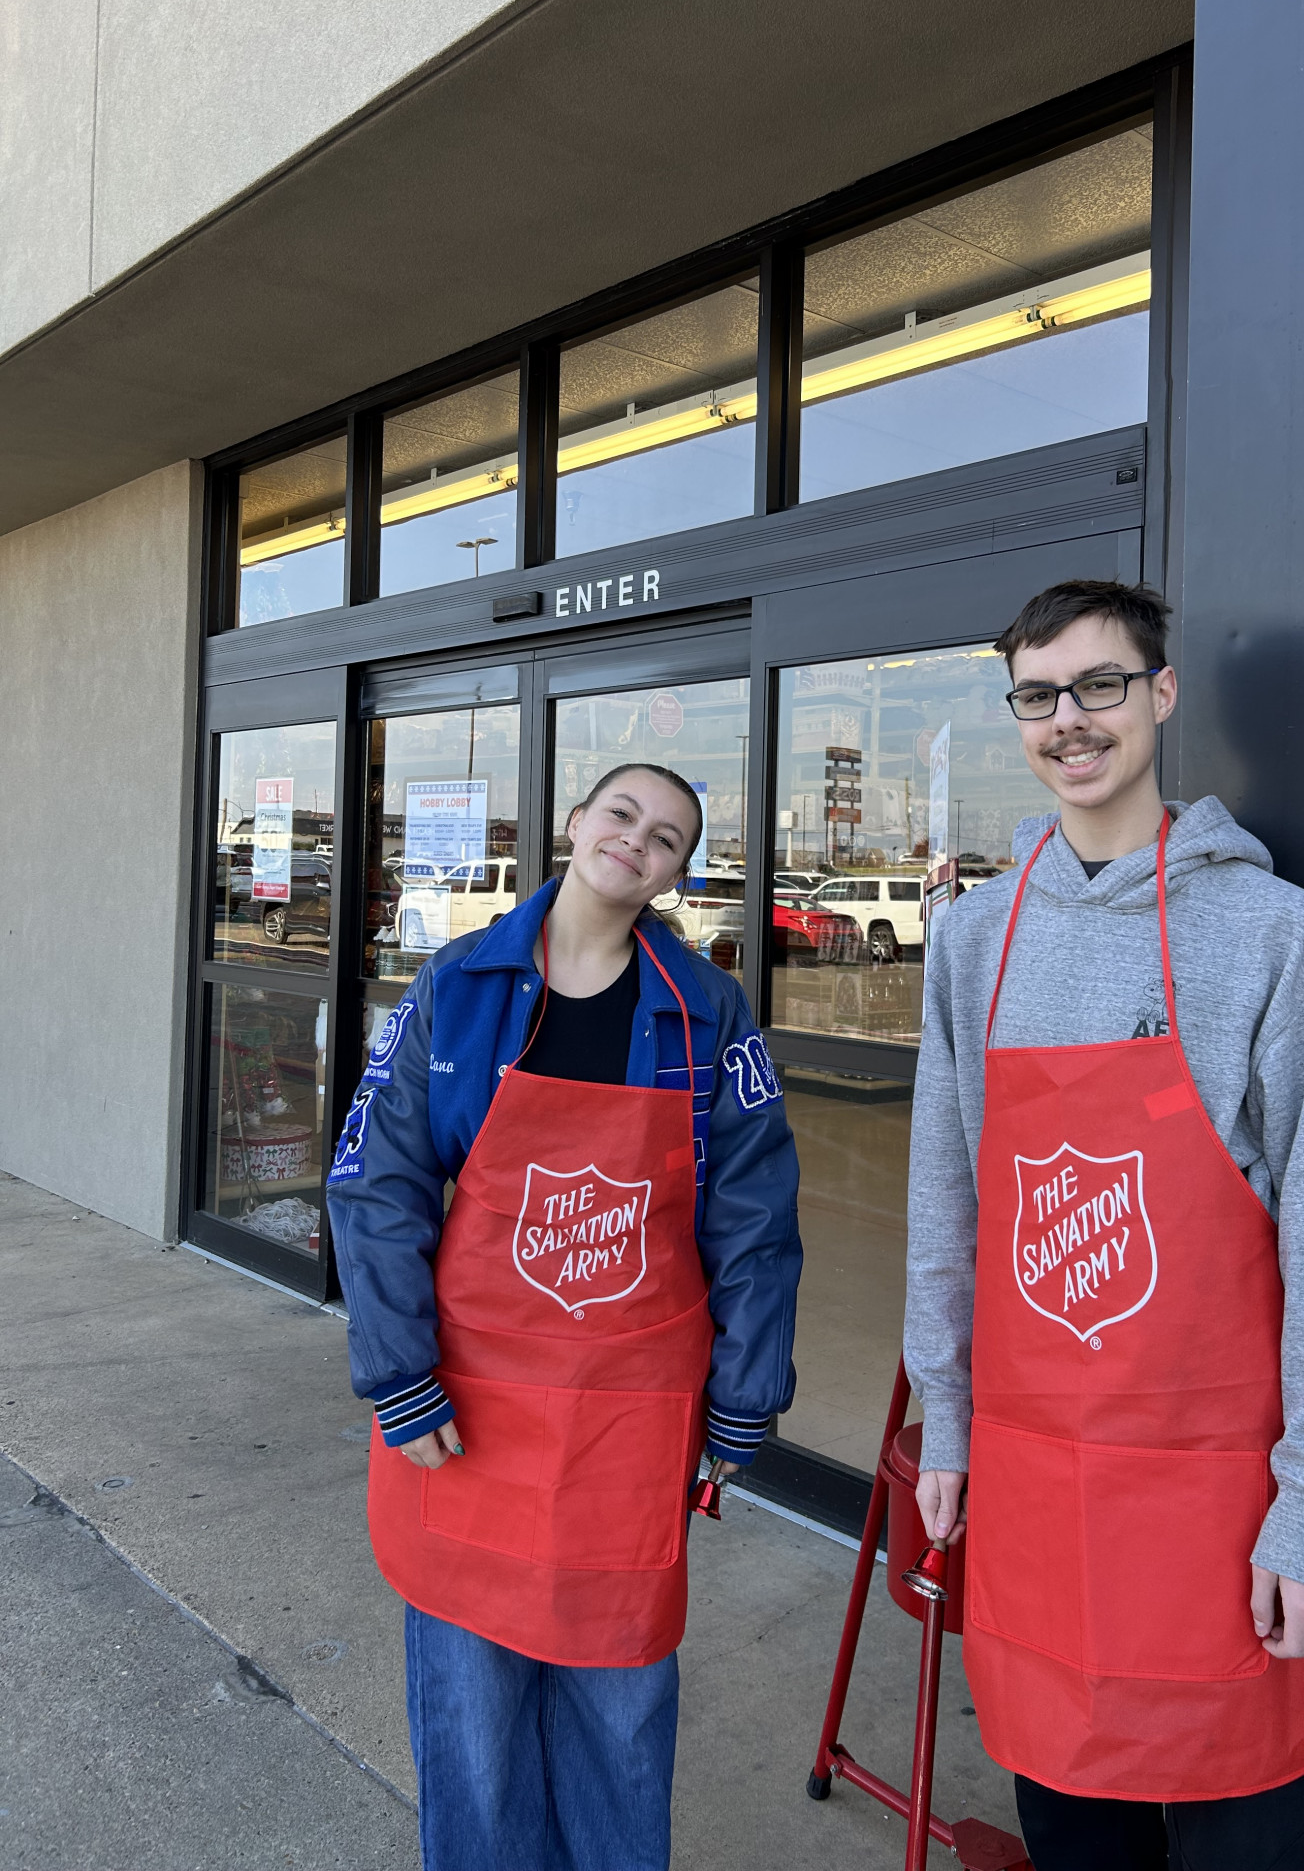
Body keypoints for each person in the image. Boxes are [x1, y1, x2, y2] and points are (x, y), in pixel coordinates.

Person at [904, 579, 1304, 1871]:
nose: (1069, 718)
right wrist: (947, 1418)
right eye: (1038, 695)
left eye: (1100, 684)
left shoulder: (1272, 931)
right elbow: (947, 1205)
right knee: (1073, 1832)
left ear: (1162, 693)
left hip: (1224, 1513)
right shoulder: (974, 939)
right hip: (1038, 1501)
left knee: (1246, 1836)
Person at [327, 763, 801, 1871]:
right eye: (622, 813)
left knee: (619, 1711)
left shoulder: (706, 1010)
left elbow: (754, 1215)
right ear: (578, 822)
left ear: (677, 874)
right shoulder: (458, 985)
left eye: (667, 836)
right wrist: (399, 1374)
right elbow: (377, 1183)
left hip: (628, 1424)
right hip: (467, 1411)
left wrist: (744, 1399)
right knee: (472, 1717)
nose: (637, 839)